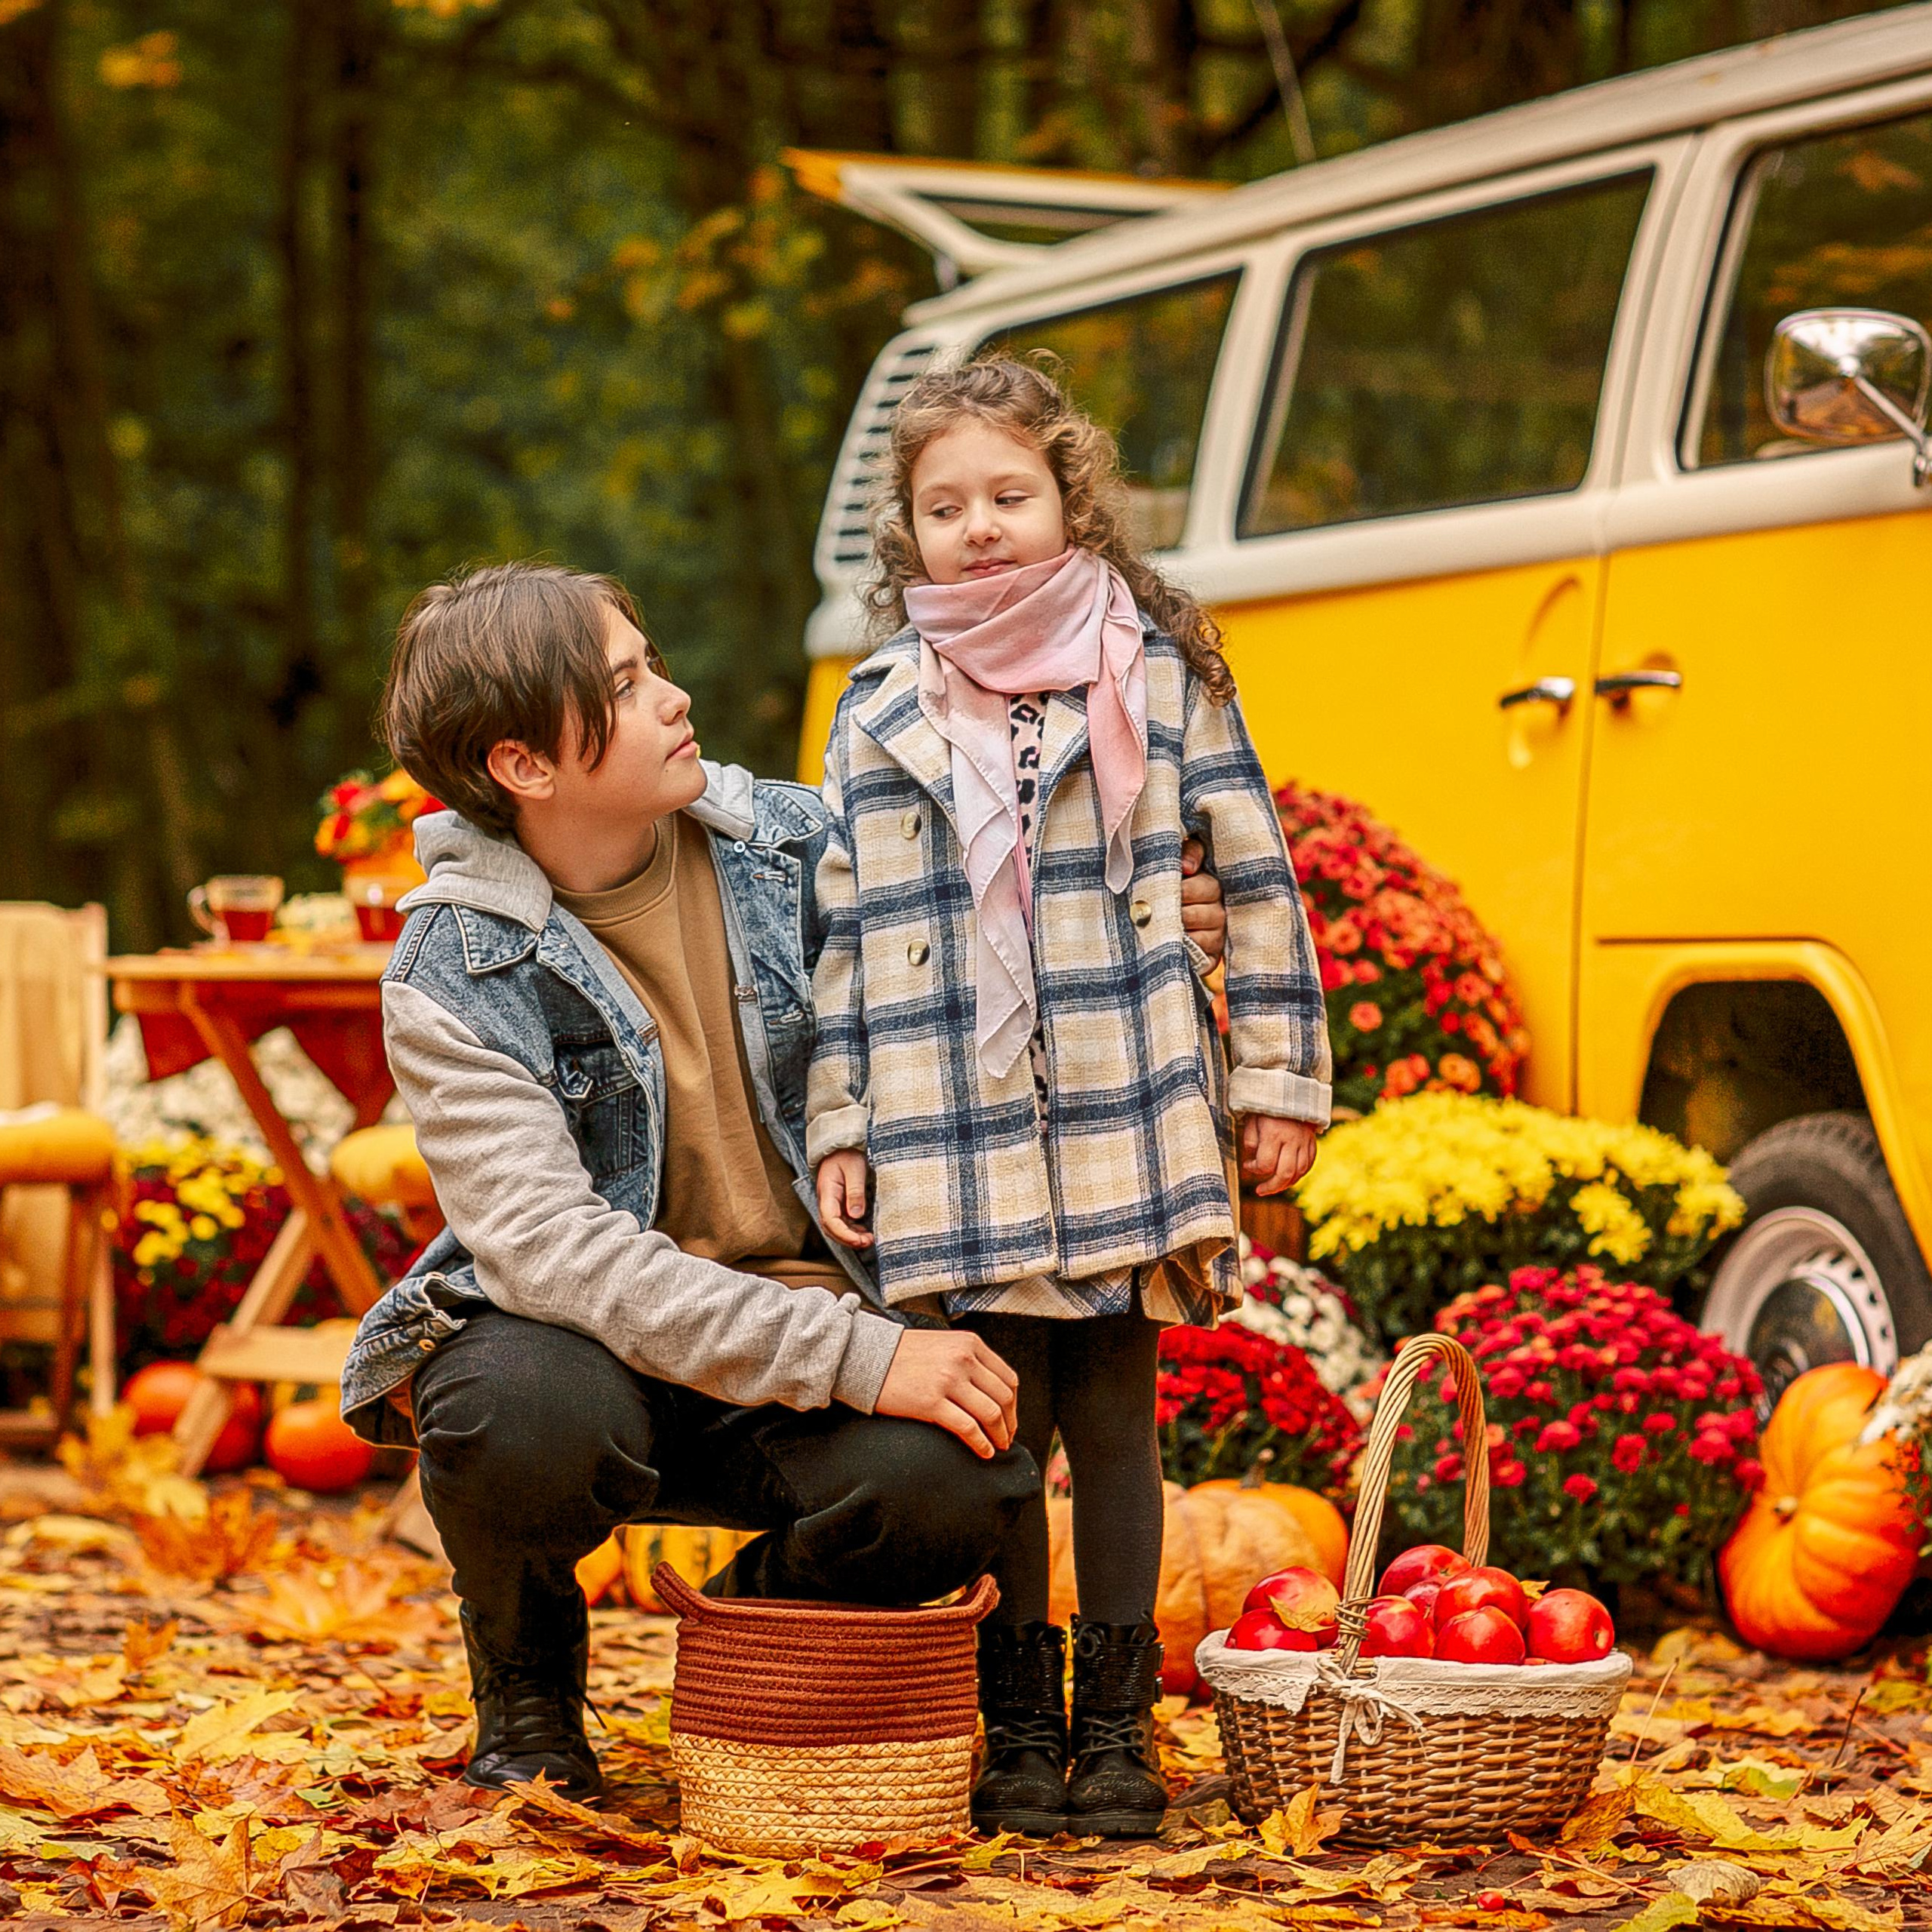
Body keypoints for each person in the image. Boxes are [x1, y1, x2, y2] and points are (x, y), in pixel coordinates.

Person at [336, 560, 1232, 1801]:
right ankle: (530, 1688)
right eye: (626, 684)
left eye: (650, 664)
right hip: (592, 1356)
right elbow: (550, 1253)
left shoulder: (801, 849)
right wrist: (869, 1360)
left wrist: (1151, 907)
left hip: (813, 1335)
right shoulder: (453, 967)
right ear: (524, 767)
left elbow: (1004, 931)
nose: (674, 696)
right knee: (507, 1413)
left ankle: (740, 1629)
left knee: (971, 1481)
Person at [808, 355, 1332, 1841]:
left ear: (1068, 499)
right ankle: (1015, 1722)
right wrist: (841, 1113)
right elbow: (842, 930)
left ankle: (1117, 1732)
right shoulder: (878, 704)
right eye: (943, 504)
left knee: (1111, 1423)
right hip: (946, 1114)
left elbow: (1258, 873)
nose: (978, 526)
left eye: (1007, 494)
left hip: (1122, 1088)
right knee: (992, 1431)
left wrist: (1278, 1072)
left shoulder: (1153, 670)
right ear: (906, 531)